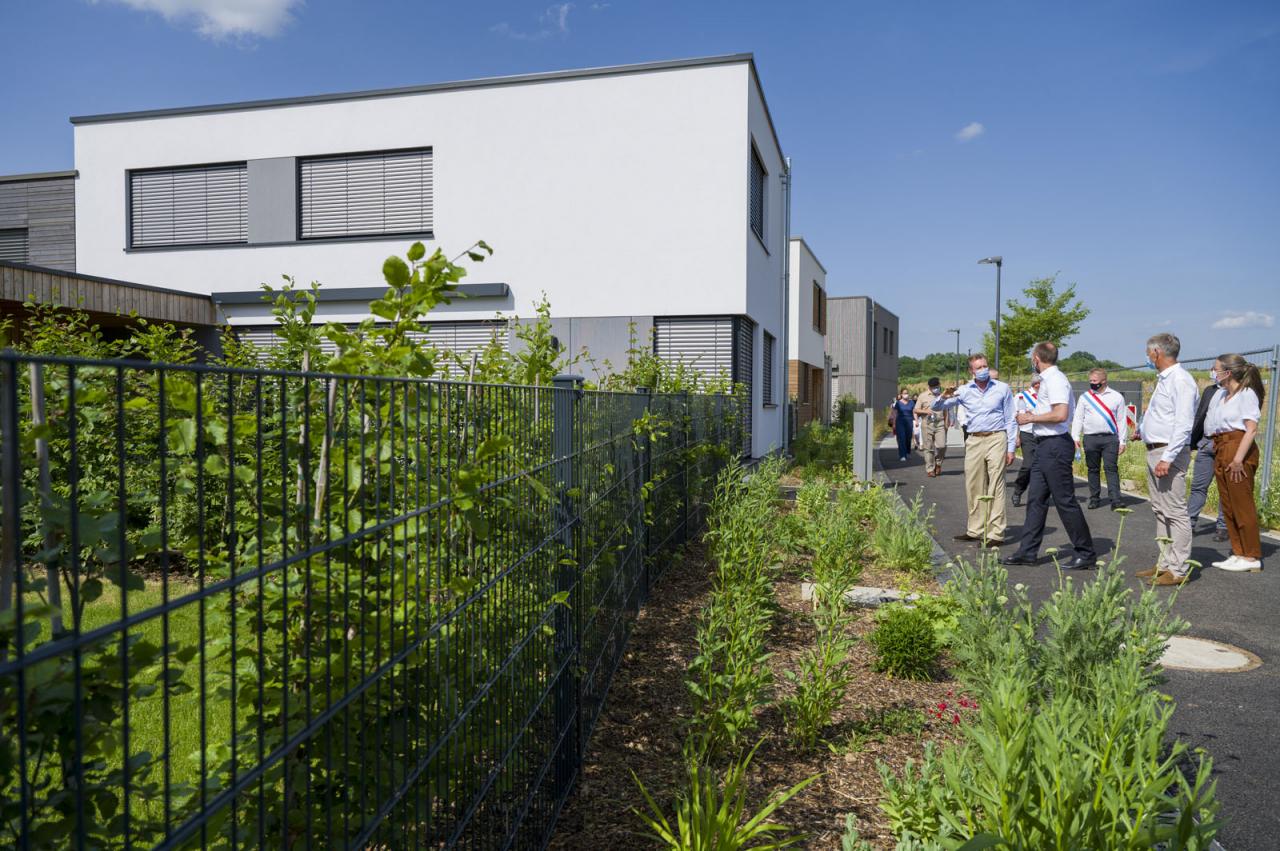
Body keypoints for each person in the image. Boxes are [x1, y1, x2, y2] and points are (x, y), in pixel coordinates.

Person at [1001, 341, 1097, 570]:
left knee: (1065, 500)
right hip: (1044, 445)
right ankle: (1028, 551)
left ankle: (1085, 552)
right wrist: (1035, 414)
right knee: (1036, 499)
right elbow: (1052, 411)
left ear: (1036, 358)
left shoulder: (1055, 380)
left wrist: (1030, 418)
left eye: (1031, 358)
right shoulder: (1049, 380)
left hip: (1055, 445)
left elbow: (1061, 414)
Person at [1133, 333, 1198, 586]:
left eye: (1148, 352)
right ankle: (1164, 563)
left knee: (1175, 511)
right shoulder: (1165, 379)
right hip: (1155, 450)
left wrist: (1168, 458)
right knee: (1160, 510)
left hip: (1167, 452)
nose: (1147, 357)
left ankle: (1179, 569)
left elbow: (1183, 424)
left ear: (1157, 353)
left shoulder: (1181, 380)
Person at [933, 353, 1017, 545]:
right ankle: (976, 529)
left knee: (996, 483)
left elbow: (1011, 419)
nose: (983, 370)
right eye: (978, 367)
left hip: (996, 436)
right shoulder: (964, 391)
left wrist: (1010, 448)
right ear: (971, 371)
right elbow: (936, 407)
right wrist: (943, 396)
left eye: (985, 366)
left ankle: (996, 533)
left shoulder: (1002, 388)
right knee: (973, 484)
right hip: (974, 440)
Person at [1204, 354, 1266, 572]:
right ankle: (1238, 551)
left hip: (1237, 448)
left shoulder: (1246, 394)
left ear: (1227, 372)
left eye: (1215, 368)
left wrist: (1239, 458)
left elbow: (1251, 428)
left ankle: (1251, 556)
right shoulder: (1222, 395)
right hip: (1221, 446)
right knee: (1228, 504)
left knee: (1242, 504)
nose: (1213, 371)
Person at [1071, 368, 1128, 510]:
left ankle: (1115, 499)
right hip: (1091, 438)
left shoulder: (1116, 397)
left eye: (1094, 381)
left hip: (1110, 439)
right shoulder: (1085, 397)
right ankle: (1094, 498)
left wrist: (1123, 441)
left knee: (1111, 468)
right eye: (1090, 381)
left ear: (1104, 381)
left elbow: (1121, 420)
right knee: (1093, 469)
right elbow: (1078, 418)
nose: (1092, 383)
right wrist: (1075, 437)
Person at [1188, 381, 1229, 542]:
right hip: (1206, 443)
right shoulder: (1210, 391)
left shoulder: (1241, 392)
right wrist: (1192, 442)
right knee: (1198, 486)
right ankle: (1189, 523)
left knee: (1224, 489)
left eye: (1217, 369)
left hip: (1225, 444)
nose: (1214, 372)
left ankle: (1223, 526)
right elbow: (1200, 415)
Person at [1011, 375, 1045, 507]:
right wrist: (1015, 436)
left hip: (1044, 434)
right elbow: (1015, 417)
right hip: (1027, 433)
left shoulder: (1047, 396)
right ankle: (1018, 490)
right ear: (1035, 384)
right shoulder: (1022, 396)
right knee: (1029, 465)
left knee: (1044, 467)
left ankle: (1039, 496)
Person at [915, 378, 948, 477]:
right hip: (927, 423)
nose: (936, 389)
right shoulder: (923, 396)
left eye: (938, 387)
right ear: (929, 387)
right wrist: (926, 412)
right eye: (934, 387)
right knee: (928, 447)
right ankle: (930, 469)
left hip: (940, 423)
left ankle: (938, 463)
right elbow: (916, 410)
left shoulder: (942, 396)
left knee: (942, 445)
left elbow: (946, 410)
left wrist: (946, 424)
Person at [889, 388, 916, 462]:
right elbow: (894, 413)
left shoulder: (912, 402)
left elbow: (914, 412)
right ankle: (902, 455)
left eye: (907, 393)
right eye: (904, 393)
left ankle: (907, 452)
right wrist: (894, 423)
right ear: (901, 394)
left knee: (908, 438)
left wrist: (916, 421)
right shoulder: (898, 403)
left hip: (909, 421)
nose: (906, 394)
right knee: (901, 438)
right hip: (900, 422)